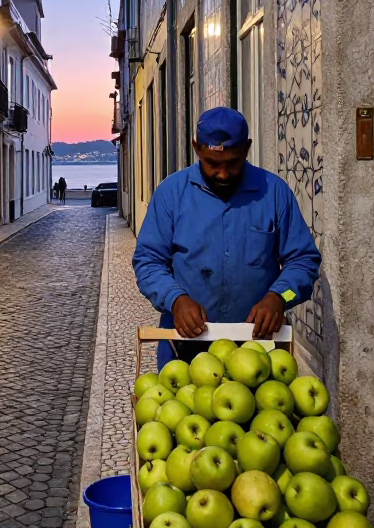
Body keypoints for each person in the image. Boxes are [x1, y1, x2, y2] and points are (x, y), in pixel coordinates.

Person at [133, 107, 321, 371]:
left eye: (232, 163)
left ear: (247, 148)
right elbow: (148, 262)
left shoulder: (275, 193)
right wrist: (175, 299)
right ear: (196, 149)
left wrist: (281, 296)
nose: (222, 173)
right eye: (212, 163)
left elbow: (304, 262)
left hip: (258, 351)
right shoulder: (170, 194)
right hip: (185, 348)